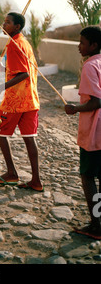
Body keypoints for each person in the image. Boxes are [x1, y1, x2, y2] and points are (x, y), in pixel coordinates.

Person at [0, 12, 43, 191]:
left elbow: (24, 74)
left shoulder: (14, 45)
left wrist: (0, 87)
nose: (3, 25)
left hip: (16, 101)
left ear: (17, 27)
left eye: (7, 22)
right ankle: (36, 180)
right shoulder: (24, 42)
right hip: (31, 99)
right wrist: (2, 68)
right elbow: (21, 68)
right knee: (30, 138)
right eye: (4, 21)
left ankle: (12, 173)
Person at [65, 25, 101, 240]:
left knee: (87, 176)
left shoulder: (89, 66)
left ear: (93, 45)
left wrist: (75, 108)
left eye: (82, 43)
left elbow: (96, 101)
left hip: (95, 133)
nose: (79, 46)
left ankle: (96, 225)